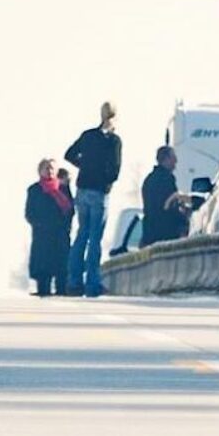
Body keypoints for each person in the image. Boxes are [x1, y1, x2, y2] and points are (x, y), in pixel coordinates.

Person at [62, 102, 123, 298]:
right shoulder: (113, 141)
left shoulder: (88, 135)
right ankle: (92, 284)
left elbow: (69, 154)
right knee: (95, 238)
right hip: (99, 191)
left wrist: (85, 166)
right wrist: (104, 179)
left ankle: (73, 282)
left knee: (82, 234)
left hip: (82, 187)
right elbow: (115, 170)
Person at [24, 159, 72, 297]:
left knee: (61, 263)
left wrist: (65, 225)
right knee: (42, 264)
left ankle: (61, 289)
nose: (49, 171)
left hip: (60, 232)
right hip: (42, 233)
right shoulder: (34, 190)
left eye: (52, 168)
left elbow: (70, 209)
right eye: (46, 168)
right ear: (40, 171)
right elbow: (29, 213)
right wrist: (39, 224)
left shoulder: (63, 188)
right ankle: (42, 289)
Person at [140, 145, 191, 245]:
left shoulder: (149, 180)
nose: (176, 161)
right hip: (165, 234)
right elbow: (169, 206)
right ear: (166, 159)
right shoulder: (166, 179)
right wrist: (184, 220)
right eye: (173, 157)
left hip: (150, 234)